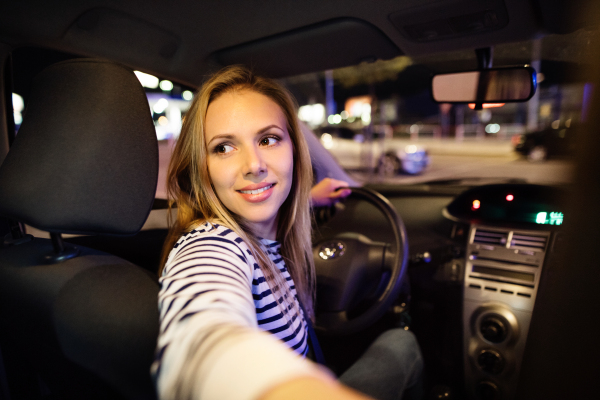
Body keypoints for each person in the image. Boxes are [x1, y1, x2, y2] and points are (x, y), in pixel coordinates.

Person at [152, 65, 422, 400]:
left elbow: (271, 197)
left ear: (293, 150)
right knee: (402, 342)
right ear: (200, 169)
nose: (254, 164)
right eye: (223, 147)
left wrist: (309, 197)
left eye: (268, 140)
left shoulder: (265, 231)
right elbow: (201, 340)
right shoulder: (212, 244)